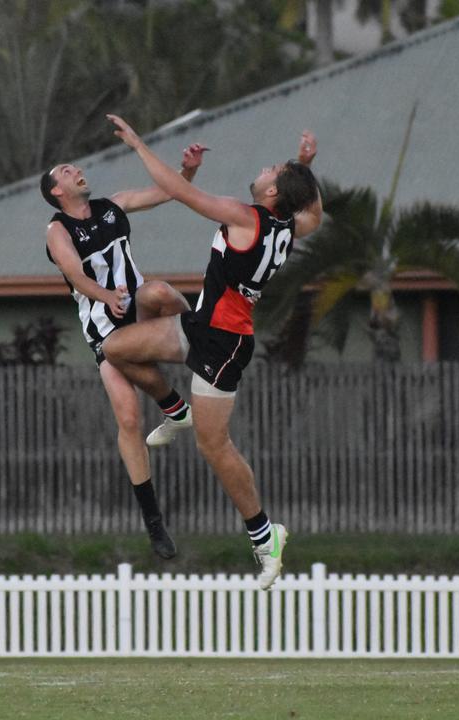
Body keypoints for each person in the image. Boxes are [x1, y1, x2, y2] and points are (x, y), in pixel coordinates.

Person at [101, 114, 322, 590]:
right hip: (201, 326)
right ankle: (173, 408)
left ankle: (266, 538)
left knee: (214, 445)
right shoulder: (287, 224)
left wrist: (139, 143)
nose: (265, 168)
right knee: (113, 347)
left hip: (224, 344)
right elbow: (314, 215)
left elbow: (179, 193)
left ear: (271, 194)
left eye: (273, 170)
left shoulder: (248, 216)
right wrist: (305, 167)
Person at [42, 141, 209, 559]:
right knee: (128, 416)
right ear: (56, 191)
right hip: (103, 327)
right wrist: (105, 296)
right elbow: (75, 274)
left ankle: (203, 346)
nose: (76, 168)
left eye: (74, 164)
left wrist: (186, 172)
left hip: (136, 308)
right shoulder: (57, 230)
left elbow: (167, 191)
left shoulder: (113, 206)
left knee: (157, 290)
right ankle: (154, 522)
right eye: (66, 169)